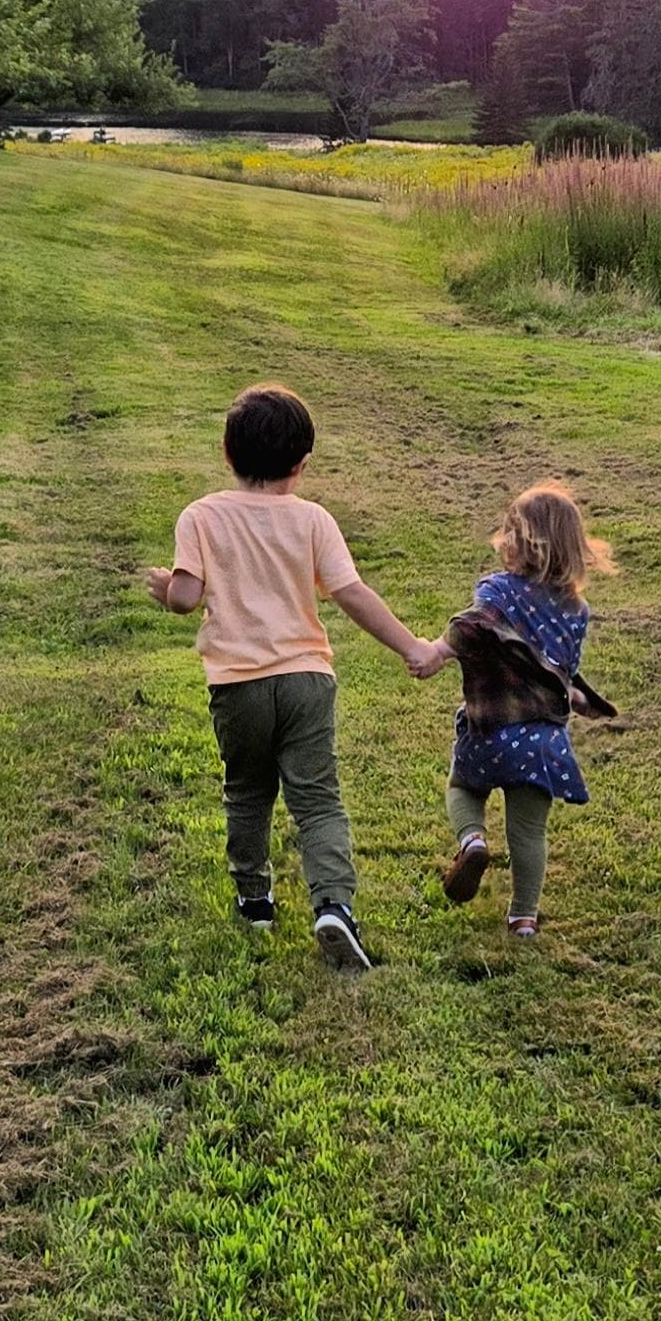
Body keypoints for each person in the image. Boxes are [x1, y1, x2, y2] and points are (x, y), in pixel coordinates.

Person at [147, 383, 448, 972]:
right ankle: (334, 905)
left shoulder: (201, 516)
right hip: (308, 678)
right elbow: (352, 593)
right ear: (301, 464)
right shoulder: (314, 520)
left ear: (227, 454)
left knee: (248, 791)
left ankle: (255, 899)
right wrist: (412, 646)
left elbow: (185, 598)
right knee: (318, 800)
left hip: (237, 684)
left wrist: (166, 588)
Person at [439, 480, 616, 939]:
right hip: (542, 742)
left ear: (519, 541)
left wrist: (437, 651)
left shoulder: (496, 590)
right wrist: (576, 695)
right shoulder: (576, 609)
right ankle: (523, 918)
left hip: (490, 729)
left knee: (462, 787)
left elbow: (473, 628)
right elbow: (563, 667)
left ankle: (472, 840)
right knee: (529, 832)